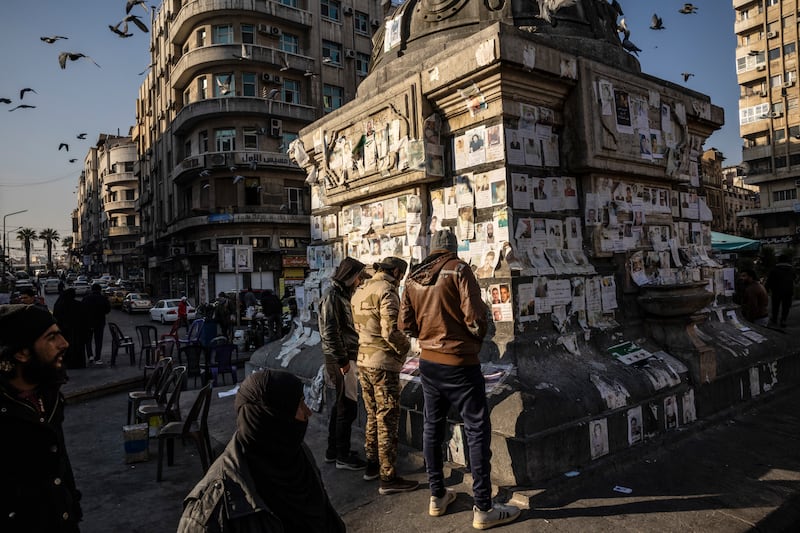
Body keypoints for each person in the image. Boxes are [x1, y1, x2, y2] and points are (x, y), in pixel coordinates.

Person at [398, 229, 520, 529]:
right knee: (477, 429)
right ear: (451, 249)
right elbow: (476, 318)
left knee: (432, 426)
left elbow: (405, 324)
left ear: (432, 250)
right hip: (459, 363)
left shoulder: (414, 278)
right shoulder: (459, 270)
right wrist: (474, 337)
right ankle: (483, 507)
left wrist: (426, 336)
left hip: (428, 363)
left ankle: (437, 495)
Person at [177, 369, 345, 532]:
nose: (308, 413)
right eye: (299, 405)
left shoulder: (296, 455)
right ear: (271, 418)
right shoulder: (210, 509)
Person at [0, 304, 83, 532]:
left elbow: (60, 466)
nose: (64, 343)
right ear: (21, 353)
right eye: (51, 337)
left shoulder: (48, 396)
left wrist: (71, 506)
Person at [351, 257, 418, 494]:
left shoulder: (361, 289)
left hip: (363, 360)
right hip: (383, 364)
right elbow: (390, 332)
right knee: (387, 419)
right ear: (398, 272)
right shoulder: (387, 291)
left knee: (372, 415)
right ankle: (388, 477)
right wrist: (405, 349)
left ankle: (372, 465)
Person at [319, 257, 371, 470]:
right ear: (350, 277)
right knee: (347, 407)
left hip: (343, 357)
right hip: (341, 358)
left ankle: (334, 451)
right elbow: (330, 331)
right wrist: (342, 361)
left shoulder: (341, 294)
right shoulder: (332, 296)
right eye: (358, 277)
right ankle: (342, 455)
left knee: (341, 405)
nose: (360, 282)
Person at [53, 288, 89, 369]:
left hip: (64, 331)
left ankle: (67, 363)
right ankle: (78, 364)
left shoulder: (59, 304)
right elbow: (85, 318)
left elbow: (56, 318)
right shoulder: (78, 305)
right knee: (78, 348)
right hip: (77, 331)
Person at [82, 283, 110, 365]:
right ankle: (98, 358)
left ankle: (90, 356)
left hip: (88, 323)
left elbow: (82, 309)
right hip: (99, 322)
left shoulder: (86, 298)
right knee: (98, 341)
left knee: (88, 340)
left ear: (92, 289)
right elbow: (107, 310)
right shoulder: (103, 298)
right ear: (100, 290)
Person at [765, 254, 795, 327]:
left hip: (776, 291)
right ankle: (783, 320)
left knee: (775, 306)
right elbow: (794, 278)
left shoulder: (774, 269)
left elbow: (769, 280)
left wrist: (766, 289)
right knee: (786, 307)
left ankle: (774, 319)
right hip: (788, 291)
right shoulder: (791, 269)